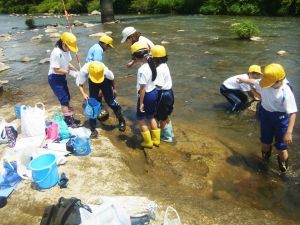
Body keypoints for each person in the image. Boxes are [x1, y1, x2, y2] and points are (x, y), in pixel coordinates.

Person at [238, 63, 297, 173]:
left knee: (281, 147)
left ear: (280, 81)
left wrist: (289, 132)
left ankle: (283, 168)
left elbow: (293, 112)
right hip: (266, 115)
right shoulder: (264, 83)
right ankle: (265, 160)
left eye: (270, 83)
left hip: (281, 118)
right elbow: (253, 81)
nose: (267, 85)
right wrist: (242, 80)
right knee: (265, 142)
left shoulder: (286, 92)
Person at [76, 61, 126, 138]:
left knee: (110, 102)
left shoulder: (105, 71)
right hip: (92, 82)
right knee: (93, 104)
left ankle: (121, 121)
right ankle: (93, 129)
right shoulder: (84, 71)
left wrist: (114, 89)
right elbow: (80, 84)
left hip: (105, 81)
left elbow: (112, 79)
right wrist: (84, 94)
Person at [48, 32, 80, 128]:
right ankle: (69, 121)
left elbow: (68, 63)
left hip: (62, 77)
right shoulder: (56, 52)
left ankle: (69, 117)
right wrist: (70, 73)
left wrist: (77, 70)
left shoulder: (67, 51)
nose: (70, 49)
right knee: (64, 99)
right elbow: (56, 69)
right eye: (69, 46)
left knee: (67, 97)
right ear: (63, 43)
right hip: (54, 78)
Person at [131, 42, 160, 148]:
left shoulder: (141, 70)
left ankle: (148, 142)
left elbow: (142, 88)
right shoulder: (152, 63)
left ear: (136, 56)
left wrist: (141, 103)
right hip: (154, 92)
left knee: (140, 118)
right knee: (151, 117)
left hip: (146, 95)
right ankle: (156, 140)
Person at [86, 35, 114, 122]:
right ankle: (97, 114)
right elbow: (98, 66)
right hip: (95, 73)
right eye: (108, 46)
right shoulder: (99, 50)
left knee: (95, 96)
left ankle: (98, 109)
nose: (108, 48)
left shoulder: (95, 46)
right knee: (98, 94)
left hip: (91, 72)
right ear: (105, 44)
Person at [151, 45, 175, 143]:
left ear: (155, 58)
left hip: (163, 94)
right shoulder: (164, 65)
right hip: (169, 93)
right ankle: (170, 133)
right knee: (165, 114)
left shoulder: (160, 69)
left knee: (161, 116)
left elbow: (159, 85)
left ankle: (167, 137)